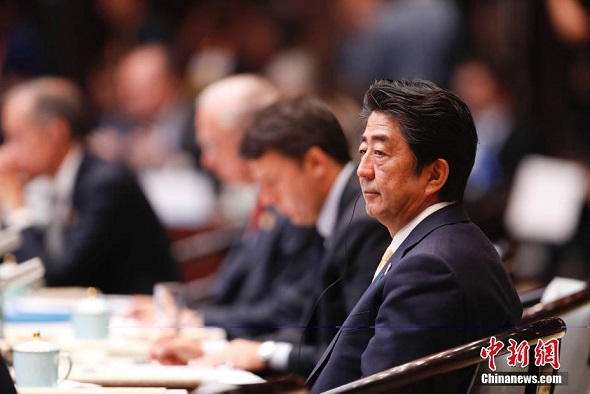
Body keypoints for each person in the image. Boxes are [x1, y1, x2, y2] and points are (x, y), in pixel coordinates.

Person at [306, 79, 523, 393]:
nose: (361, 170)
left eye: (380, 153)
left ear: (434, 175)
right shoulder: (444, 243)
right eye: (363, 150)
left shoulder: (431, 269)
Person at [150, 96, 391, 378]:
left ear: (315, 163)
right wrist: (219, 353)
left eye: (272, 182)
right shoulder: (330, 212)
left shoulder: (362, 223)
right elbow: (310, 332)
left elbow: (351, 353)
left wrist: (264, 353)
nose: (267, 199)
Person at [139, 74, 318, 341]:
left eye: (212, 145)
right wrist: (183, 313)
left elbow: (288, 310)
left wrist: (194, 319)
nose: (207, 161)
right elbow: (237, 294)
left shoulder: (296, 201)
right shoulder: (262, 198)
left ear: (249, 137)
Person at [0, 77, 178, 294]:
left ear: (56, 132)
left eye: (17, 137)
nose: (7, 153)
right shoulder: (64, 180)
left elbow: (58, 278)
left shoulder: (105, 185)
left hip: (141, 318)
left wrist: (18, 207)